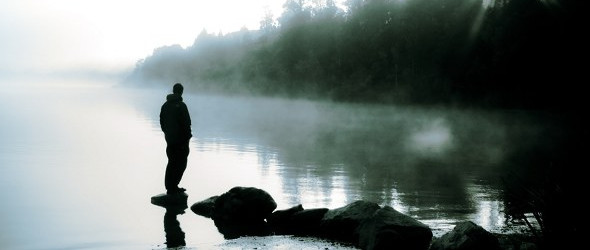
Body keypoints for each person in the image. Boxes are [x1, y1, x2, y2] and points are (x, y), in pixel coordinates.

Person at [160, 83, 192, 194]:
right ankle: (174, 186)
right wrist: (188, 137)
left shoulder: (165, 105)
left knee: (171, 162)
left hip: (170, 140)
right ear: (181, 92)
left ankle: (170, 187)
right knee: (181, 163)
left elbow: (162, 122)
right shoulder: (181, 105)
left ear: (173, 91)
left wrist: (167, 134)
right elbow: (187, 123)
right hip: (181, 141)